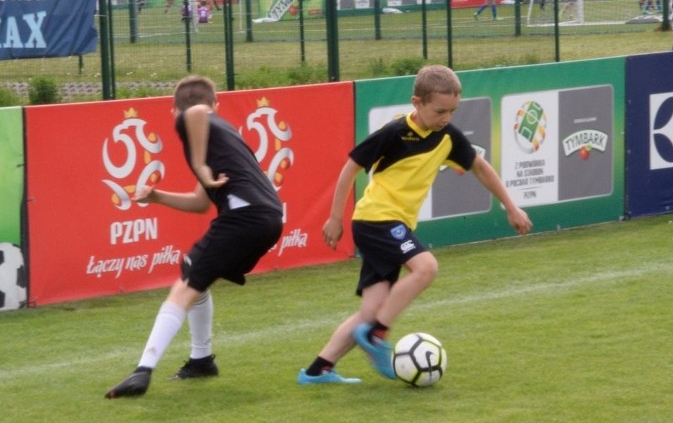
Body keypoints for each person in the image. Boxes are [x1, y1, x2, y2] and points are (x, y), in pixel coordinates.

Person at [297, 65, 532, 385]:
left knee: (369, 311)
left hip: (388, 224)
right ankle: (378, 336)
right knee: (426, 268)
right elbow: (351, 166)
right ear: (416, 103)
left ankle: (318, 370)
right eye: (439, 111)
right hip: (377, 219)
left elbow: (480, 166)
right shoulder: (394, 132)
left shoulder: (448, 137)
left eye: (452, 111)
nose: (446, 117)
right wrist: (335, 217)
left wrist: (511, 206)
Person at [105, 76, 284, 398]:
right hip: (268, 219)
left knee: (186, 284)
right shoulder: (224, 134)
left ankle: (142, 371)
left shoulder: (195, 121)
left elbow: (195, 112)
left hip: (246, 216)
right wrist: (157, 197)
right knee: (194, 273)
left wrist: (200, 164)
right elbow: (201, 202)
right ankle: (201, 360)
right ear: (219, 104)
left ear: (172, 109)